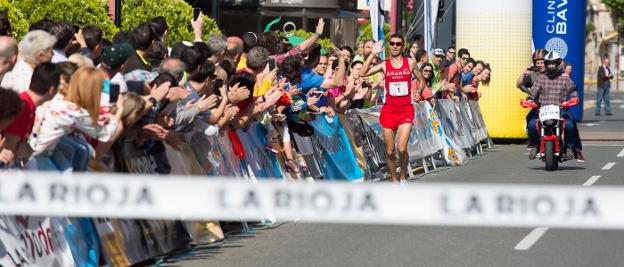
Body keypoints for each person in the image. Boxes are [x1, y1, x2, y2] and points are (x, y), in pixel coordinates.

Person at [360, 34, 423, 183]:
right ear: (389, 46)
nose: (395, 46)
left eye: (398, 44)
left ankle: (403, 176)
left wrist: (418, 92)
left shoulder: (410, 63)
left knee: (401, 149)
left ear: (403, 46)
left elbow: (422, 81)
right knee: (389, 151)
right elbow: (362, 73)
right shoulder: (384, 64)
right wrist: (373, 53)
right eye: (392, 43)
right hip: (389, 111)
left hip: (406, 110)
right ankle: (394, 180)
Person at [0, 63, 61, 166]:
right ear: (52, 90)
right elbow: (10, 150)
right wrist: (27, 149)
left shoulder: (28, 105)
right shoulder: (23, 107)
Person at [526, 51, 581, 161]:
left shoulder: (565, 79)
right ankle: (535, 145)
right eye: (549, 63)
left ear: (558, 64)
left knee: (570, 125)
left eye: (553, 63)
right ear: (546, 64)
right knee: (531, 125)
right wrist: (529, 100)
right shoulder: (540, 78)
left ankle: (568, 147)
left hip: (560, 109)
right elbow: (533, 93)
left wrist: (574, 98)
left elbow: (574, 92)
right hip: (543, 109)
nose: (551, 65)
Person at [517, 48, 546, 151]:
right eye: (538, 62)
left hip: (553, 105)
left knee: (569, 124)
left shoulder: (553, 74)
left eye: (542, 62)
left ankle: (571, 147)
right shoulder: (532, 75)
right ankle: (533, 142)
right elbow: (519, 84)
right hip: (538, 106)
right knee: (531, 122)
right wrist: (524, 74)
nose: (540, 64)